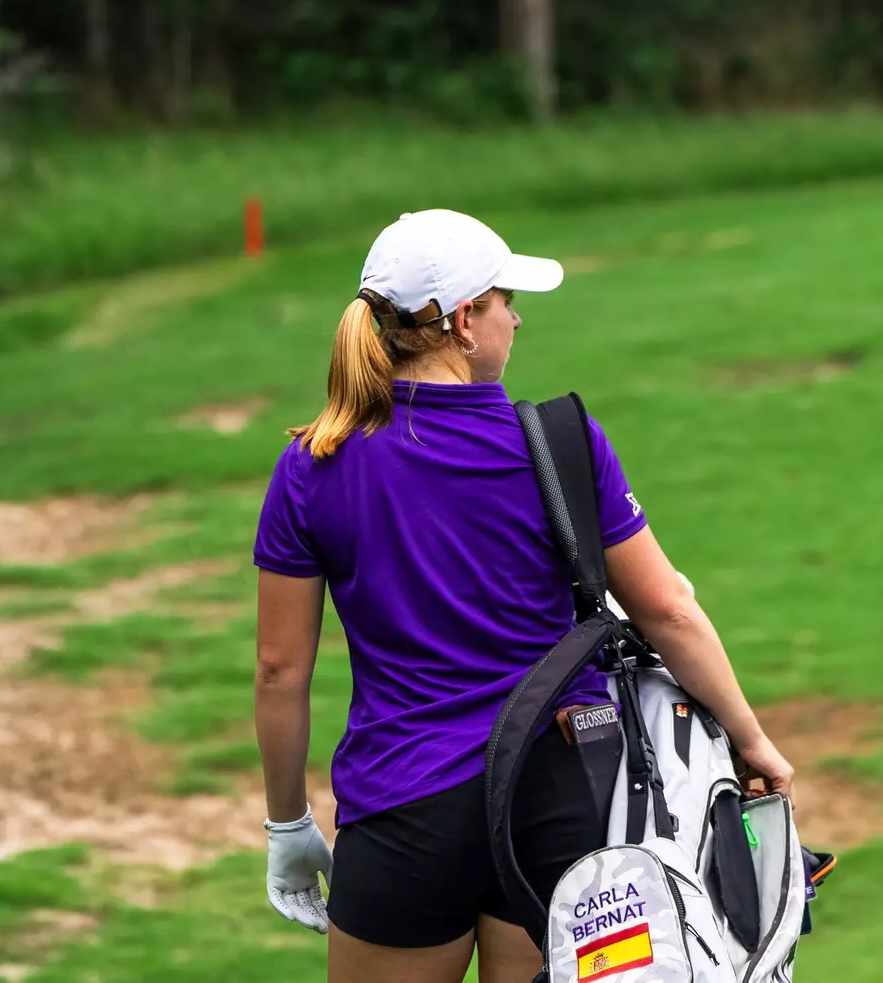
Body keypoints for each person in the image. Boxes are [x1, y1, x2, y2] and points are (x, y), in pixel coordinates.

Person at [253, 209, 795, 983]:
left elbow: (280, 670)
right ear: (464, 321)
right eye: (505, 298)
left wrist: (286, 824)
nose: (517, 316)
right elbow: (667, 608)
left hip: (402, 812)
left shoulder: (311, 467)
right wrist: (750, 738)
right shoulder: (559, 442)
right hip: (557, 797)